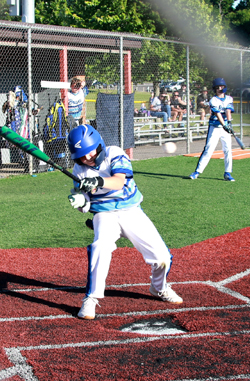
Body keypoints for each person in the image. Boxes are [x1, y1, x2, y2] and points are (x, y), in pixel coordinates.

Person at [66, 125, 183, 320]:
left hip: (131, 211)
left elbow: (119, 181)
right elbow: (86, 203)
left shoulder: (115, 153)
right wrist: (80, 201)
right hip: (104, 215)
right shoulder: (79, 170)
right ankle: (91, 298)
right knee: (100, 247)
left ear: (98, 144)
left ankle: (159, 287)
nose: (87, 157)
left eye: (90, 151)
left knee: (162, 257)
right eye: (82, 155)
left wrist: (98, 181)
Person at [189, 78, 236, 182]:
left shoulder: (229, 98)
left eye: (221, 86)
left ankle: (227, 173)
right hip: (214, 127)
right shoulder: (213, 100)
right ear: (215, 89)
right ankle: (197, 172)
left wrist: (229, 122)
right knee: (209, 149)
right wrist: (224, 125)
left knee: (228, 149)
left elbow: (228, 111)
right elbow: (218, 114)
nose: (220, 88)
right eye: (218, 87)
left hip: (225, 128)